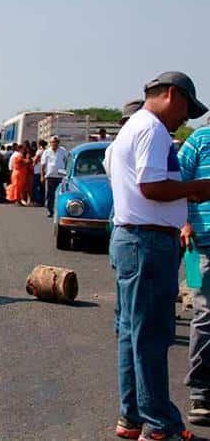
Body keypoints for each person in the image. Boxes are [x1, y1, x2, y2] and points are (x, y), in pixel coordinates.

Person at [107, 71, 210, 441]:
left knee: (133, 334)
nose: (187, 117)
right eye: (187, 108)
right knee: (151, 336)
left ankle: (133, 417)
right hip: (148, 243)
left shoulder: (136, 127)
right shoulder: (151, 129)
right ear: (171, 94)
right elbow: (151, 187)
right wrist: (197, 189)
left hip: (136, 240)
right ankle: (160, 425)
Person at [178, 122, 210, 426]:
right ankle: (201, 391)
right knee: (203, 312)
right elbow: (177, 187)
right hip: (198, 244)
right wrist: (184, 224)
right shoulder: (199, 140)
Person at [41, 136, 68, 217]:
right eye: (53, 142)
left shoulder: (63, 150)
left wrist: (66, 173)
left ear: (58, 143)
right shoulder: (47, 151)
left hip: (61, 176)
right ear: (50, 143)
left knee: (61, 194)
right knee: (49, 194)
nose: (55, 144)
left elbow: (67, 161)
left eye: (56, 142)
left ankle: (60, 211)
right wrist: (42, 176)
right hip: (50, 176)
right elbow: (43, 165)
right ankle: (50, 210)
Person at [32, 140, 47, 204]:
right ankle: (43, 199)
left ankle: (37, 200)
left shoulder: (39, 151)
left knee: (35, 186)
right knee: (42, 186)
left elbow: (35, 159)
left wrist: (33, 161)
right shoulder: (46, 150)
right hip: (44, 170)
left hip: (37, 170)